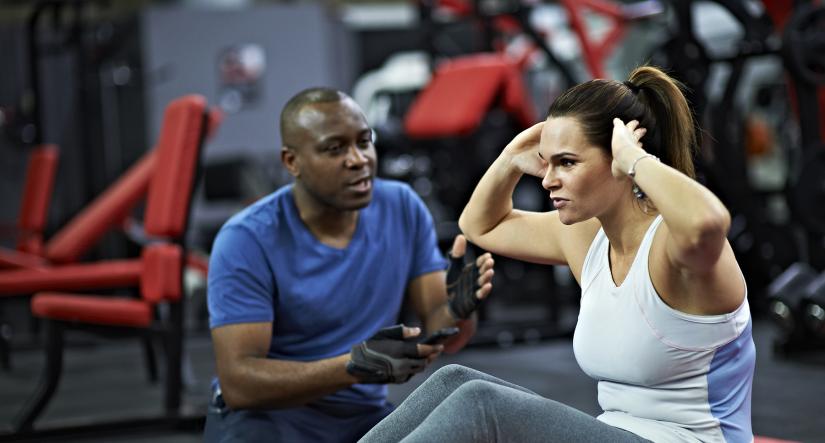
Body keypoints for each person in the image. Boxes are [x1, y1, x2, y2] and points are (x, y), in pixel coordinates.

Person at [360, 65, 755, 443]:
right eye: (546, 163)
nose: (548, 179)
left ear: (619, 159)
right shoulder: (589, 239)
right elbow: (480, 225)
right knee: (454, 380)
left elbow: (708, 221)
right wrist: (513, 155)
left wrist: (636, 159)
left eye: (566, 162)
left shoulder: (678, 249)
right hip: (617, 433)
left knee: (481, 406)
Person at [203, 87, 495, 443]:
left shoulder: (402, 207)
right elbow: (240, 384)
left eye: (364, 141)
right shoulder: (247, 239)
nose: (358, 159)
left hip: (362, 418)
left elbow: (441, 332)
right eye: (334, 148)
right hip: (266, 421)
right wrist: (355, 365)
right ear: (291, 161)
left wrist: (457, 310)